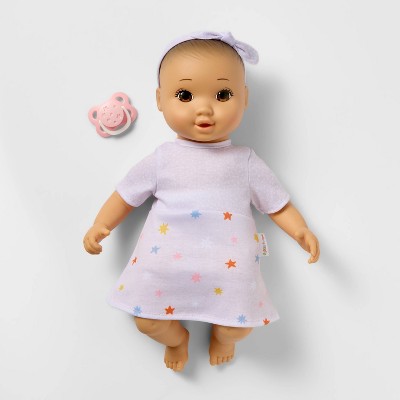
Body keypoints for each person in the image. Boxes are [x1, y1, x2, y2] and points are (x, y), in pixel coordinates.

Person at [83, 32, 320, 372]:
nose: (204, 108)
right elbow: (125, 195)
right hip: (165, 265)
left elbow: (277, 205)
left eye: (223, 95)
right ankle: (176, 338)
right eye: (185, 95)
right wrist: (101, 224)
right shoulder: (163, 159)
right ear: (160, 99)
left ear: (244, 98)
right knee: (147, 322)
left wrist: (301, 231)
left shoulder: (245, 161)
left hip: (230, 271)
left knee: (239, 327)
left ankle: (223, 337)